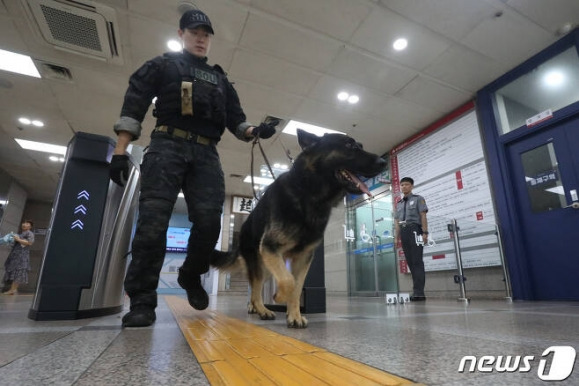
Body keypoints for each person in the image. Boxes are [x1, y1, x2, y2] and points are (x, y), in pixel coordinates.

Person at [110, 9, 278, 327]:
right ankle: (143, 302)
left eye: (206, 34)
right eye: (194, 32)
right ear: (181, 34)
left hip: (206, 153)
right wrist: (120, 151)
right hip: (165, 147)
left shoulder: (220, 79)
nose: (201, 38)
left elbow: (237, 120)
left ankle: (190, 273)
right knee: (151, 227)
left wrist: (255, 131)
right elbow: (135, 102)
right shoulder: (162, 65)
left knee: (209, 223)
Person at [394, 177, 428, 301]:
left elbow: (423, 216)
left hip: (416, 230)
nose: (404, 187)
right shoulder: (399, 204)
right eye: (402, 185)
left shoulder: (418, 199)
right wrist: (396, 238)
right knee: (410, 262)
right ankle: (416, 291)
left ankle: (419, 292)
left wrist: (425, 232)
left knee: (417, 261)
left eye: (407, 184)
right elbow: (397, 222)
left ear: (412, 186)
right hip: (404, 231)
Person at [2, 220, 34, 295]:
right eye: (24, 223)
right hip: (16, 255)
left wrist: (18, 239)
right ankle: (13, 289)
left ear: (30, 226)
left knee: (19, 272)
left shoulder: (30, 233)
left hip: (22, 257)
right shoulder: (21, 233)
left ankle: (13, 290)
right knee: (16, 272)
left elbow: (29, 242)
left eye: (27, 224)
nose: (24, 224)